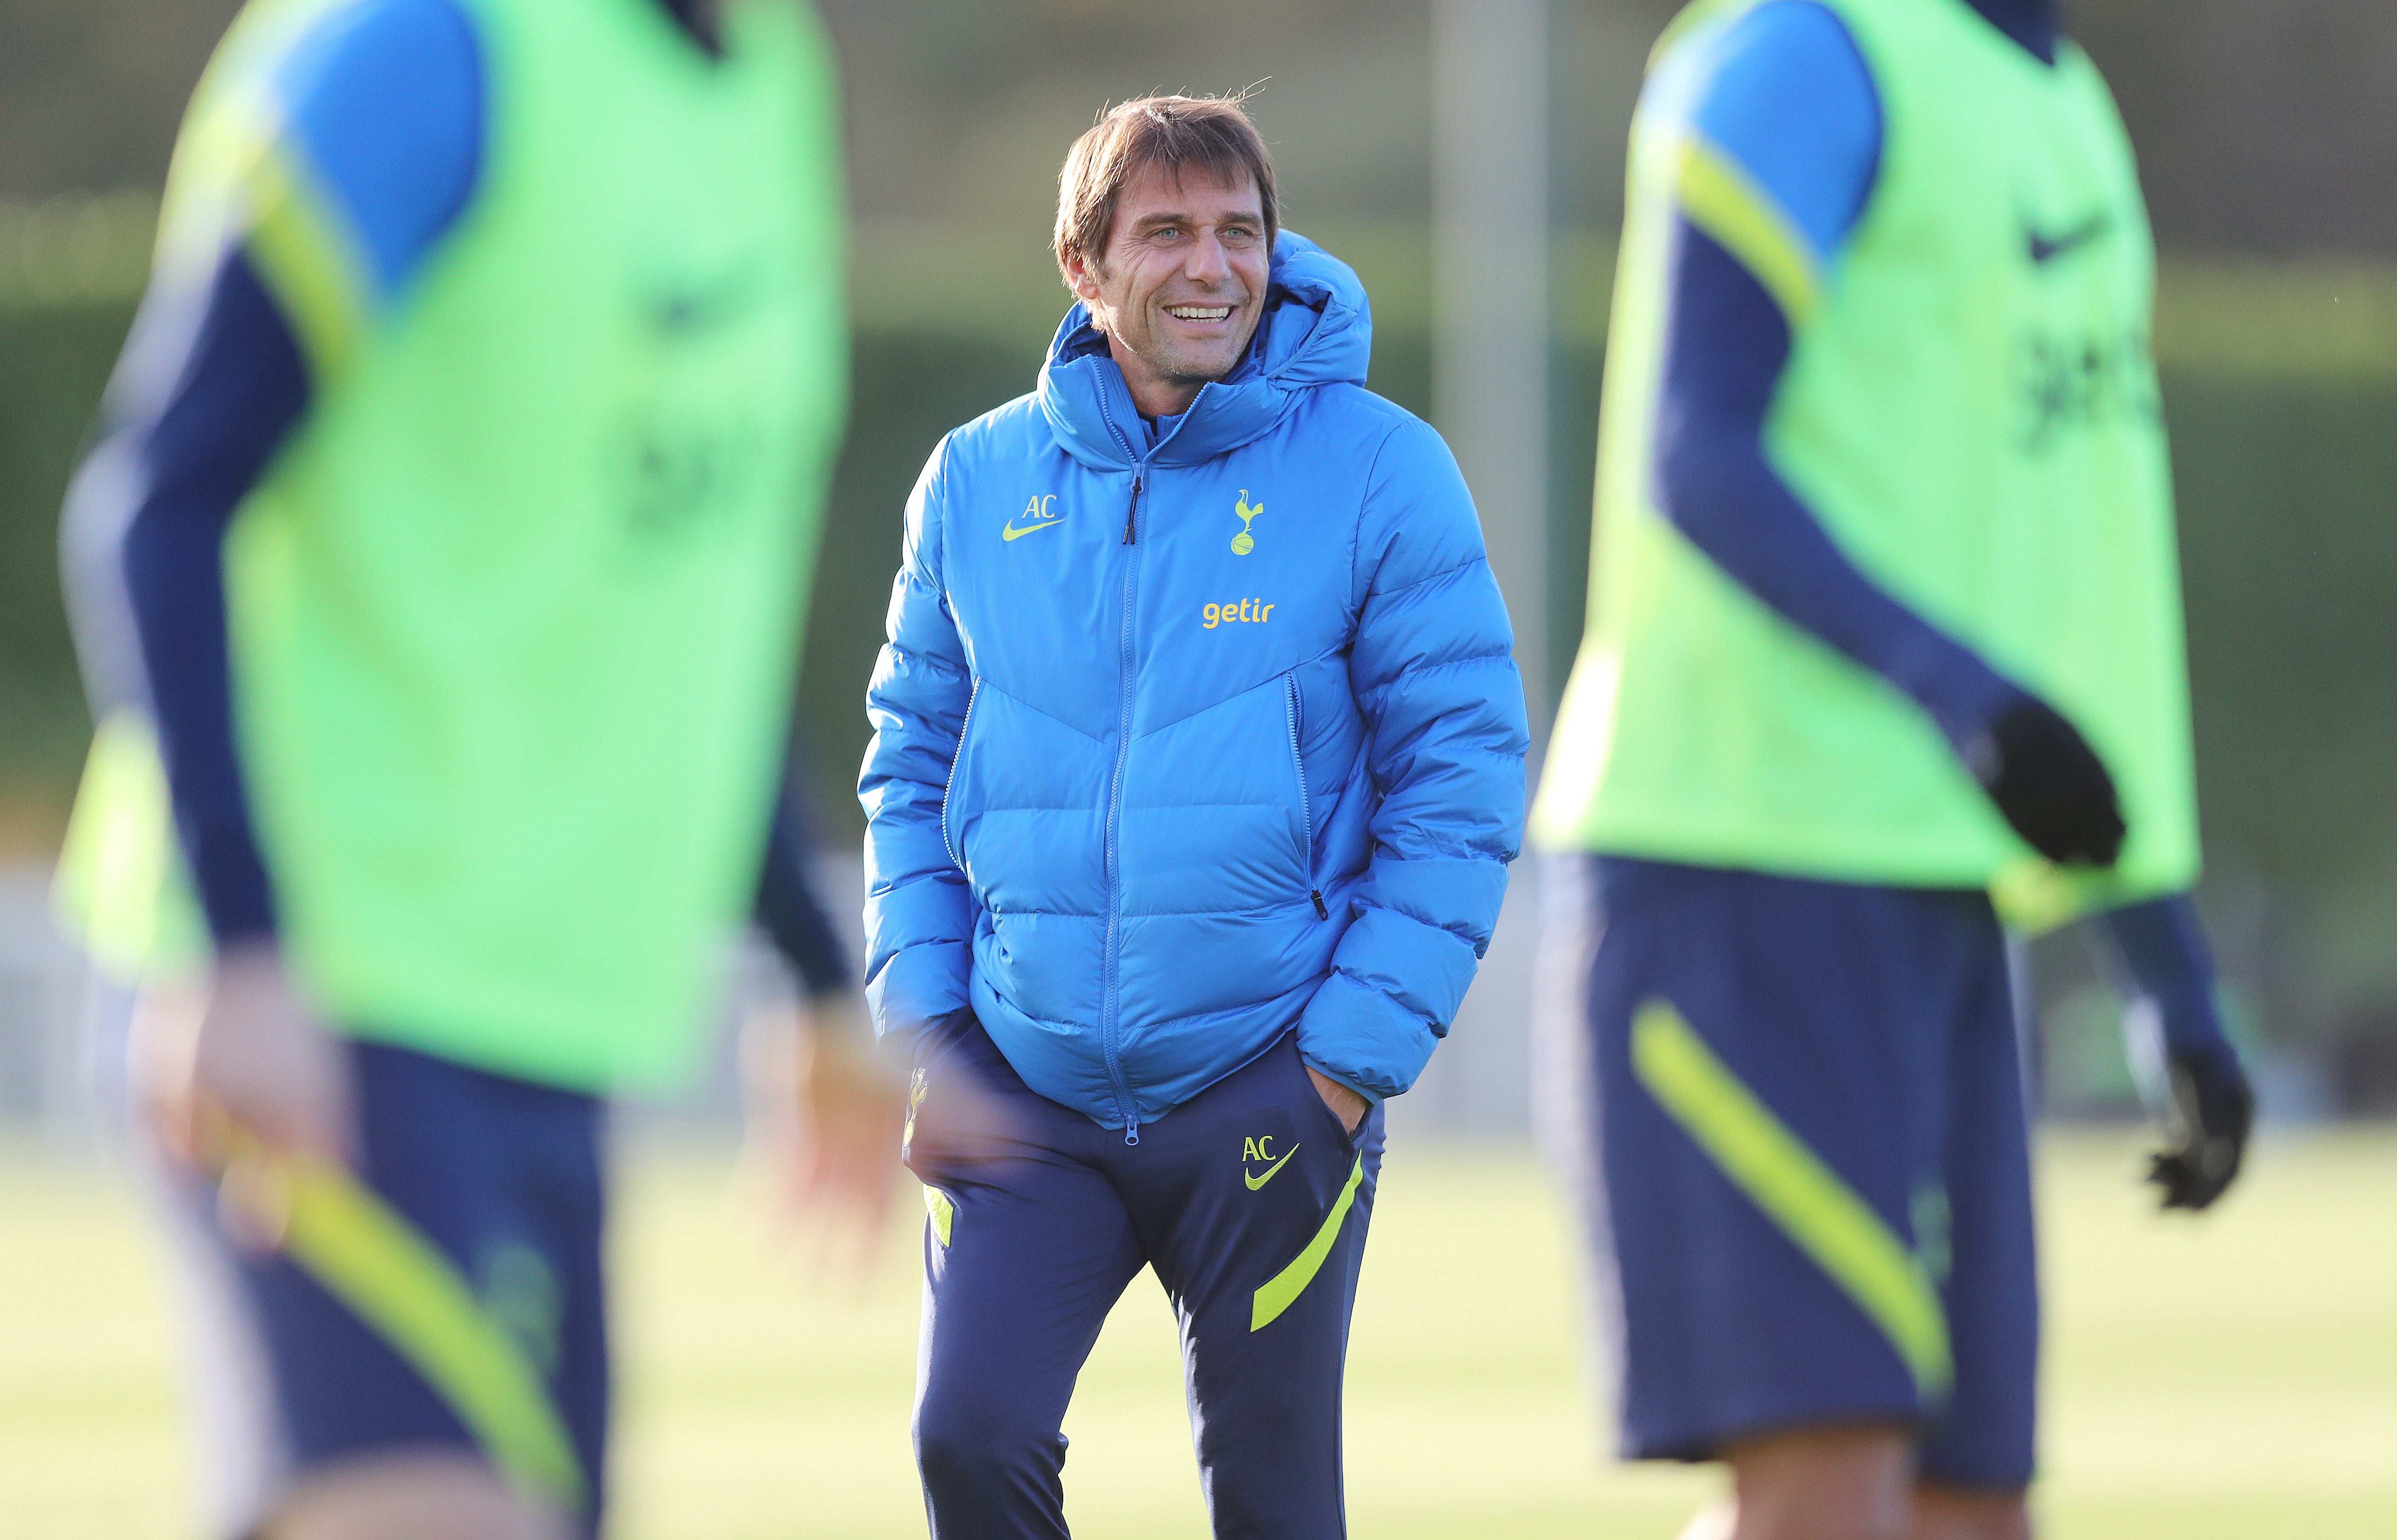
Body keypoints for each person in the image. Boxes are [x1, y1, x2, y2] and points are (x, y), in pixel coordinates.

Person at [50, 0, 887, 1536]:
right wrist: (240, 946)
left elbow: (662, 603)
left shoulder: (764, 76)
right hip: (331, 1016)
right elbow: (154, 503)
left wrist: (814, 972)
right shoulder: (420, 48)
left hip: (546, 1044)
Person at [1530, 2, 2255, 1538]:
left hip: (1933, 899)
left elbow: (2076, 584)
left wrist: (2166, 970)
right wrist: (1954, 693)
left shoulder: (2060, 99)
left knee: (1968, 1509)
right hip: (1740, 871)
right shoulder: (1802, 51)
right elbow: (1695, 447)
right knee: (1826, 1498)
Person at [860, 94, 1530, 1538]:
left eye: (1240, 231)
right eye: (1164, 232)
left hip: (1268, 1085)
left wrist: (1345, 1066)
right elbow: (909, 768)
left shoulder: (1381, 468)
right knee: (967, 1444)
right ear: (1082, 265)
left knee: (1275, 1512)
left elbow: (1463, 779)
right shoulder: (974, 482)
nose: (1211, 266)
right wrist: (931, 1029)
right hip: (1023, 1092)